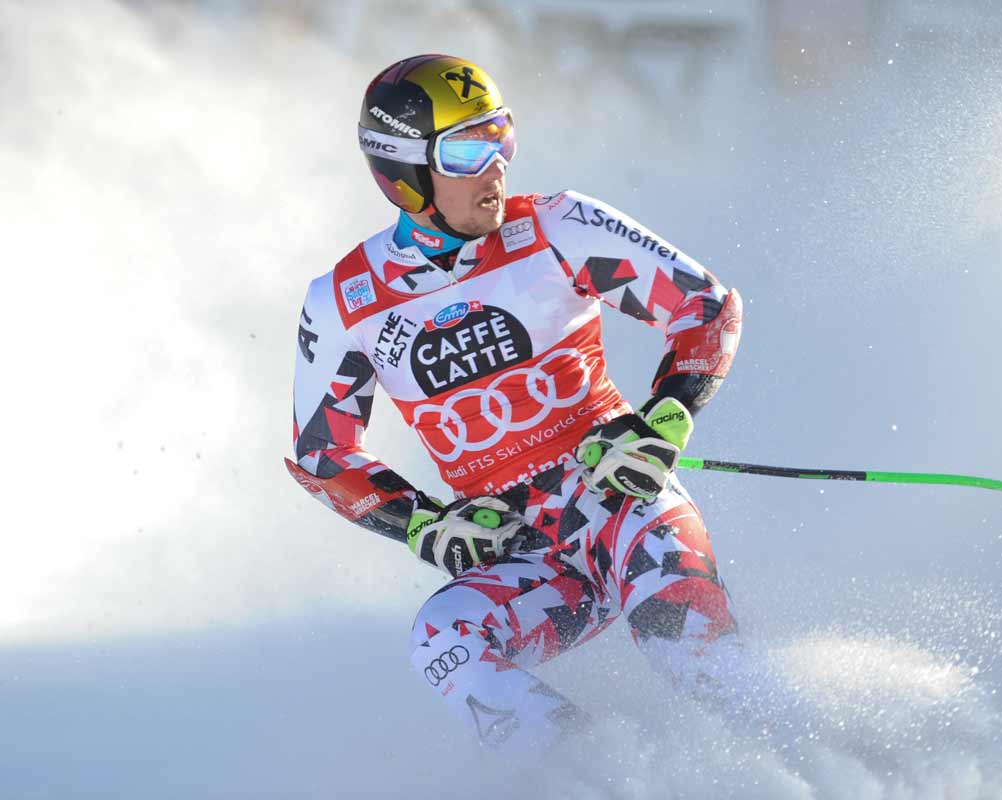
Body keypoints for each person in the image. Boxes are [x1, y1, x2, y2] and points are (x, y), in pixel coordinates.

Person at [286, 54, 746, 752]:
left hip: (622, 500)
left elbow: (706, 309)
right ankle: (601, 777)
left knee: (685, 647)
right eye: (469, 148)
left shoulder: (561, 228)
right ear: (405, 172)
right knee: (443, 642)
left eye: (501, 135)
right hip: (527, 550)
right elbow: (323, 456)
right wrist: (427, 527)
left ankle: (833, 762)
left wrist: (663, 422)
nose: (496, 165)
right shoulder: (345, 300)